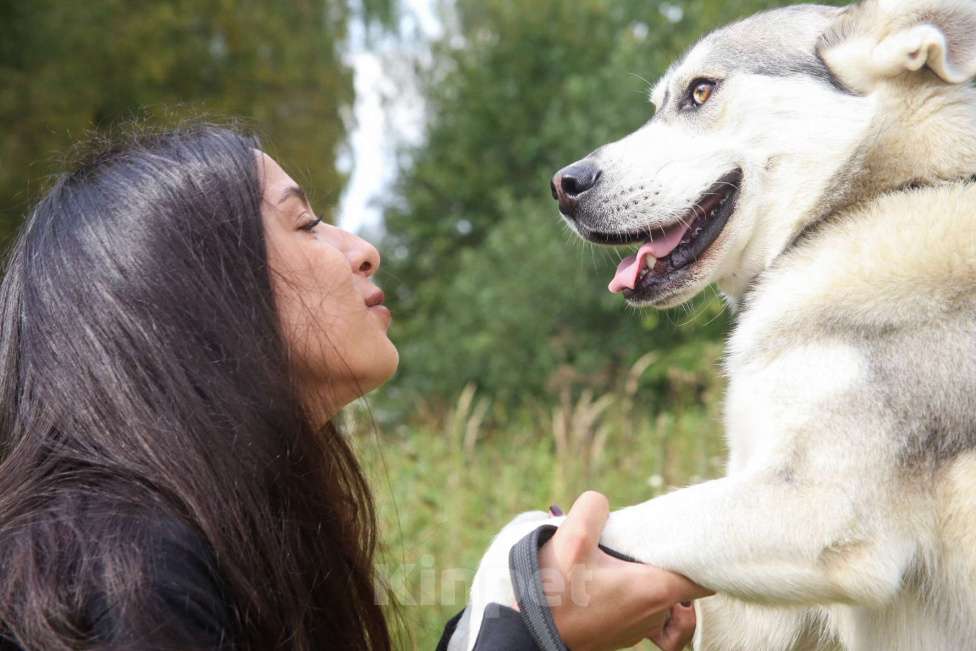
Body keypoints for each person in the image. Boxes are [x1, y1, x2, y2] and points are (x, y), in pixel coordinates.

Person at [0, 124, 708, 651]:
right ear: (193, 294)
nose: (360, 249)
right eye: (304, 222)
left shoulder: (224, 533)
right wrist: (523, 629)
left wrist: (510, 594)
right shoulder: (117, 573)